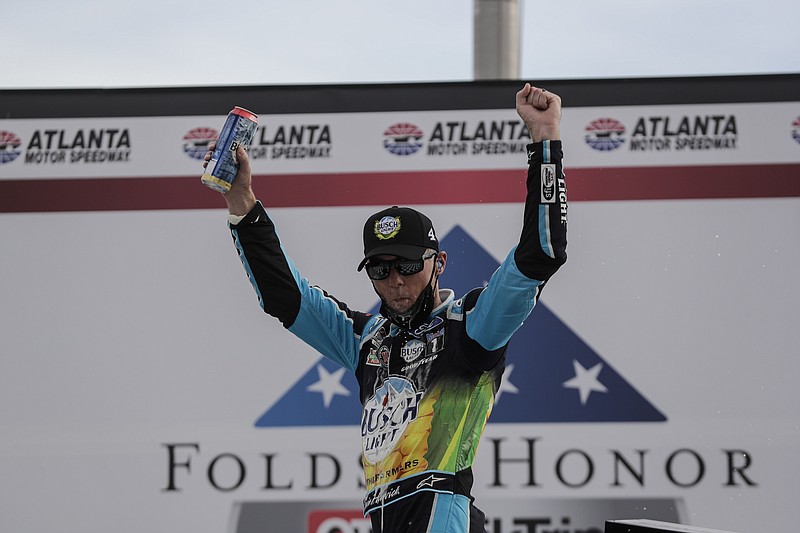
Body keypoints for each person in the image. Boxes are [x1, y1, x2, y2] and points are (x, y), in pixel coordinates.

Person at [204, 83, 567, 533]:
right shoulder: (366, 339)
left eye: (409, 265)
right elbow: (286, 297)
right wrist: (240, 200)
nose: (395, 281)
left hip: (443, 513)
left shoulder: (471, 326)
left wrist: (545, 142)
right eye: (379, 270)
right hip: (381, 518)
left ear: (440, 263)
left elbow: (539, 255)